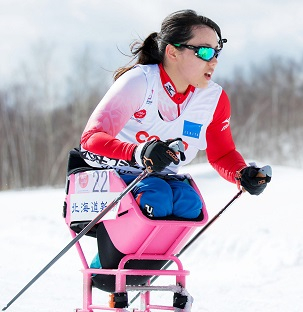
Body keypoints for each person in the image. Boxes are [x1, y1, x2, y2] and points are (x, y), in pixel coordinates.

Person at [79, 9, 271, 221]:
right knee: (156, 199)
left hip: (157, 178)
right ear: (172, 52)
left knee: (189, 204)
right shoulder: (139, 82)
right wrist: (137, 152)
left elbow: (222, 154)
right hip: (105, 174)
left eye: (217, 52)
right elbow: (91, 139)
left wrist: (241, 174)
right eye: (205, 52)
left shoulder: (213, 100)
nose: (214, 61)